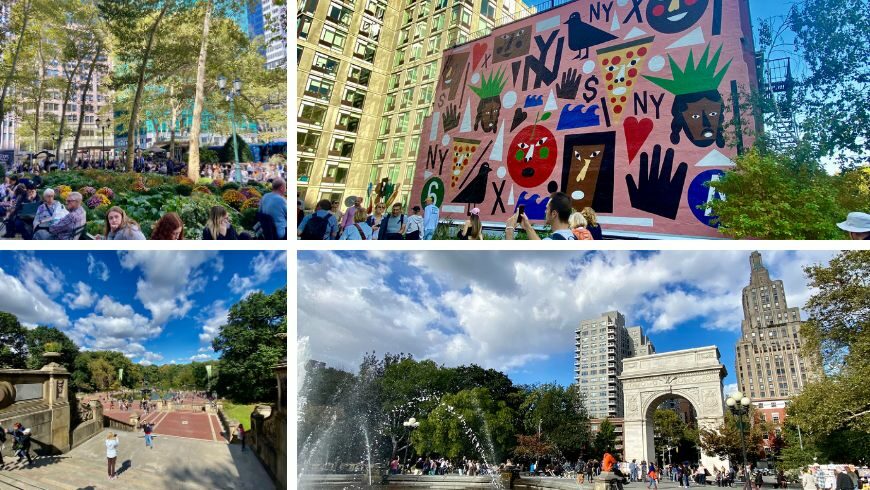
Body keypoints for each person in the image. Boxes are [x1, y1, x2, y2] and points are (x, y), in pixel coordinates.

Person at [505, 192, 575, 240]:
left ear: (554, 214)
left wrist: (509, 230)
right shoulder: (574, 237)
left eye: (547, 208)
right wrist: (527, 227)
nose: (545, 211)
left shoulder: (551, 240)